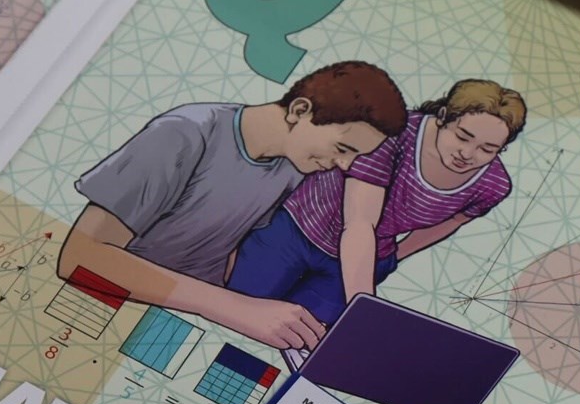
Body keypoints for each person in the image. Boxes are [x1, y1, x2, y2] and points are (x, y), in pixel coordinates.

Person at [58, 61, 407, 352]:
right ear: (300, 110)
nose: (344, 166)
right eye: (343, 149)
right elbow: (80, 257)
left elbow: (229, 248)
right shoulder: (185, 132)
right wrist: (236, 309)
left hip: (191, 324)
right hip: (110, 308)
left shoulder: (294, 167)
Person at [228, 79, 524, 324]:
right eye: (462, 137)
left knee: (304, 336)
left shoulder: (493, 185)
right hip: (297, 230)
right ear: (443, 117)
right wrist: (365, 306)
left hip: (367, 258)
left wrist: (395, 257)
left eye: (487, 149)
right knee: (242, 308)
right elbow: (359, 222)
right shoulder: (393, 134)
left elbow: (455, 219)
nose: (467, 154)